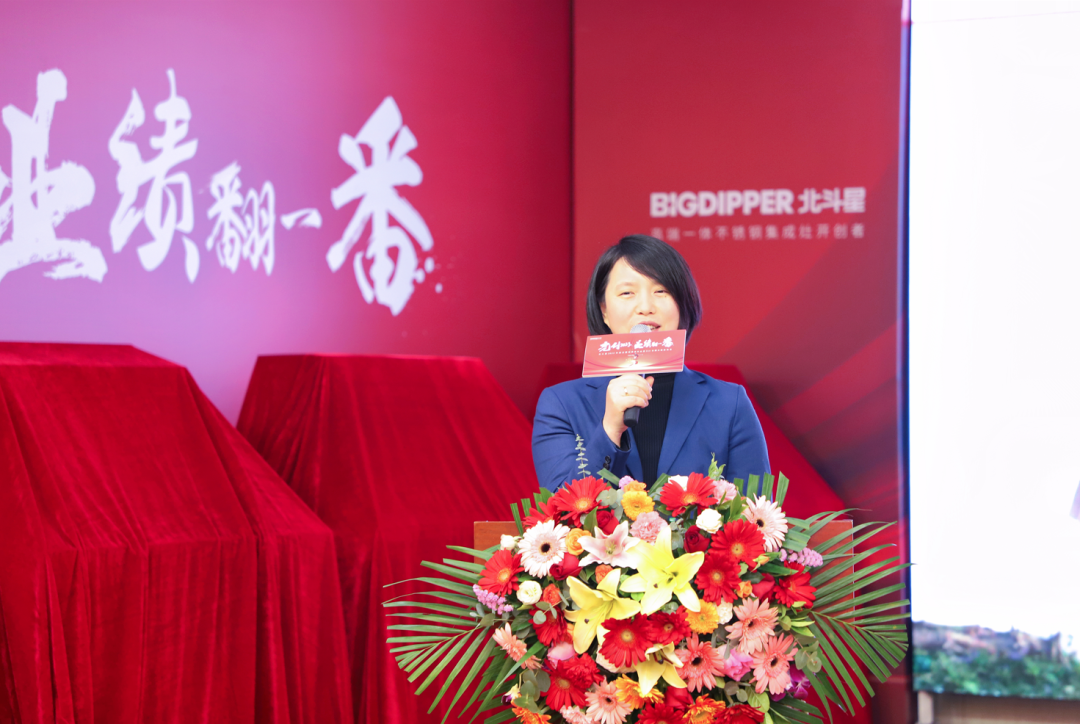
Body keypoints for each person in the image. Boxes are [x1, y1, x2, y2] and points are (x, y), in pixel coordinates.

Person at [532, 234, 769, 491]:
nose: (645, 307)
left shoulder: (729, 403)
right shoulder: (561, 404)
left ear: (682, 305)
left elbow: (753, 507)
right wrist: (610, 429)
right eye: (627, 293)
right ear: (604, 311)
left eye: (661, 291)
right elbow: (561, 503)